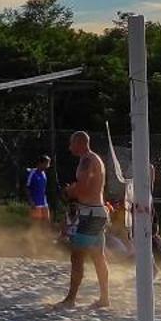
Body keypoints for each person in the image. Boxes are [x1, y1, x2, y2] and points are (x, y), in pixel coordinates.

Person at [51, 130, 110, 310]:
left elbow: (83, 187)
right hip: (98, 211)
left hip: (91, 213)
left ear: (80, 143)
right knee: (98, 257)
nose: (69, 148)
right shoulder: (94, 159)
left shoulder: (86, 160)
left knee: (77, 256)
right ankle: (104, 298)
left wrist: (69, 191)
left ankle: (70, 299)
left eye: (72, 144)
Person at [25, 154, 53, 225]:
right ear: (41, 163)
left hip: (44, 202)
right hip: (36, 202)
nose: (48, 166)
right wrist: (31, 201)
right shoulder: (33, 173)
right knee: (36, 224)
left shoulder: (44, 174)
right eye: (47, 163)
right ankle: (33, 235)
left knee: (47, 221)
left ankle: (44, 235)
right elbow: (27, 188)